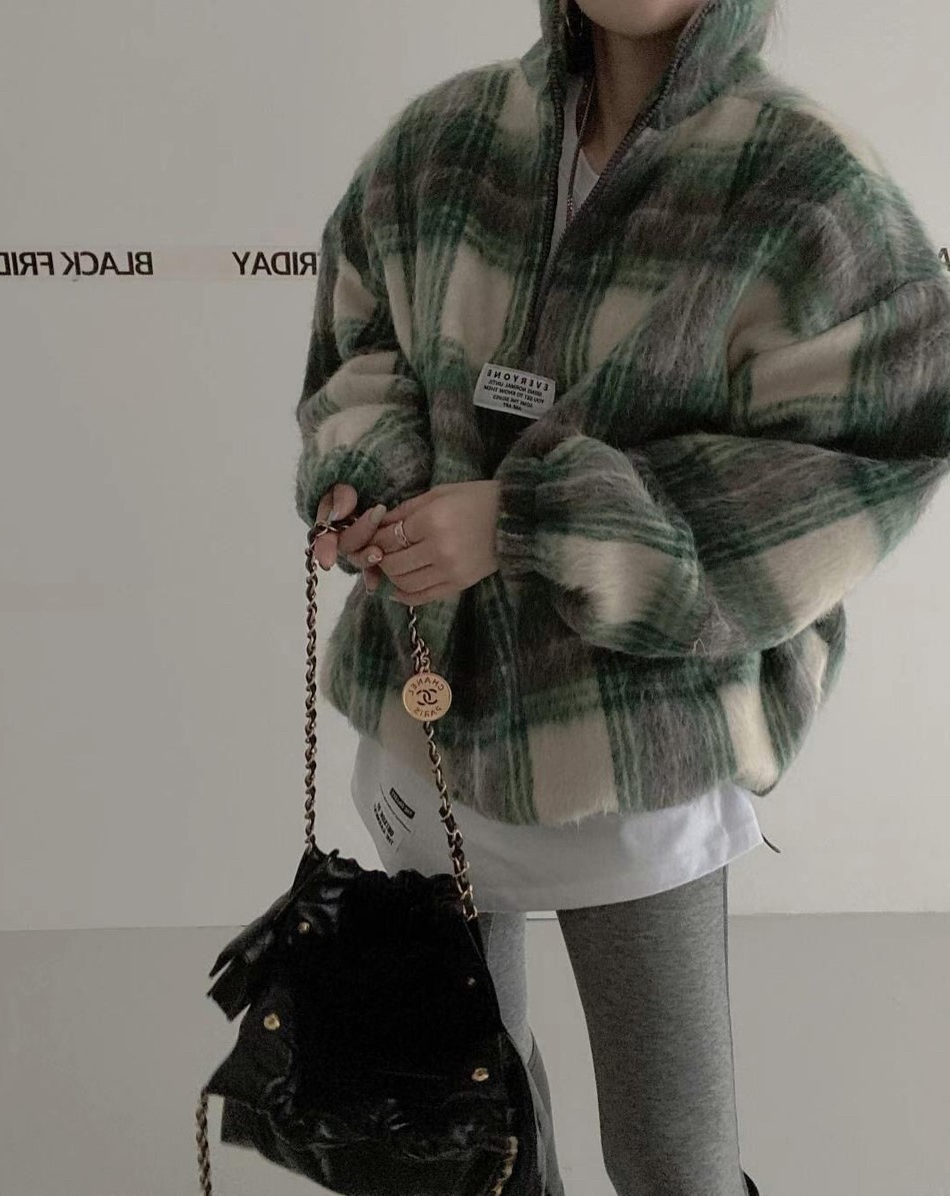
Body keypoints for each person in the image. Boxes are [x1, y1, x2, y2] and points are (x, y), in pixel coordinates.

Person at [294, 1, 950, 1193]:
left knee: (673, 1153)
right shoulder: (447, 141)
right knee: (461, 1124)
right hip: (428, 714)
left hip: (636, 742)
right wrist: (370, 480)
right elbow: (364, 340)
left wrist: (532, 518)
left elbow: (846, 464)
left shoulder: (808, 187)